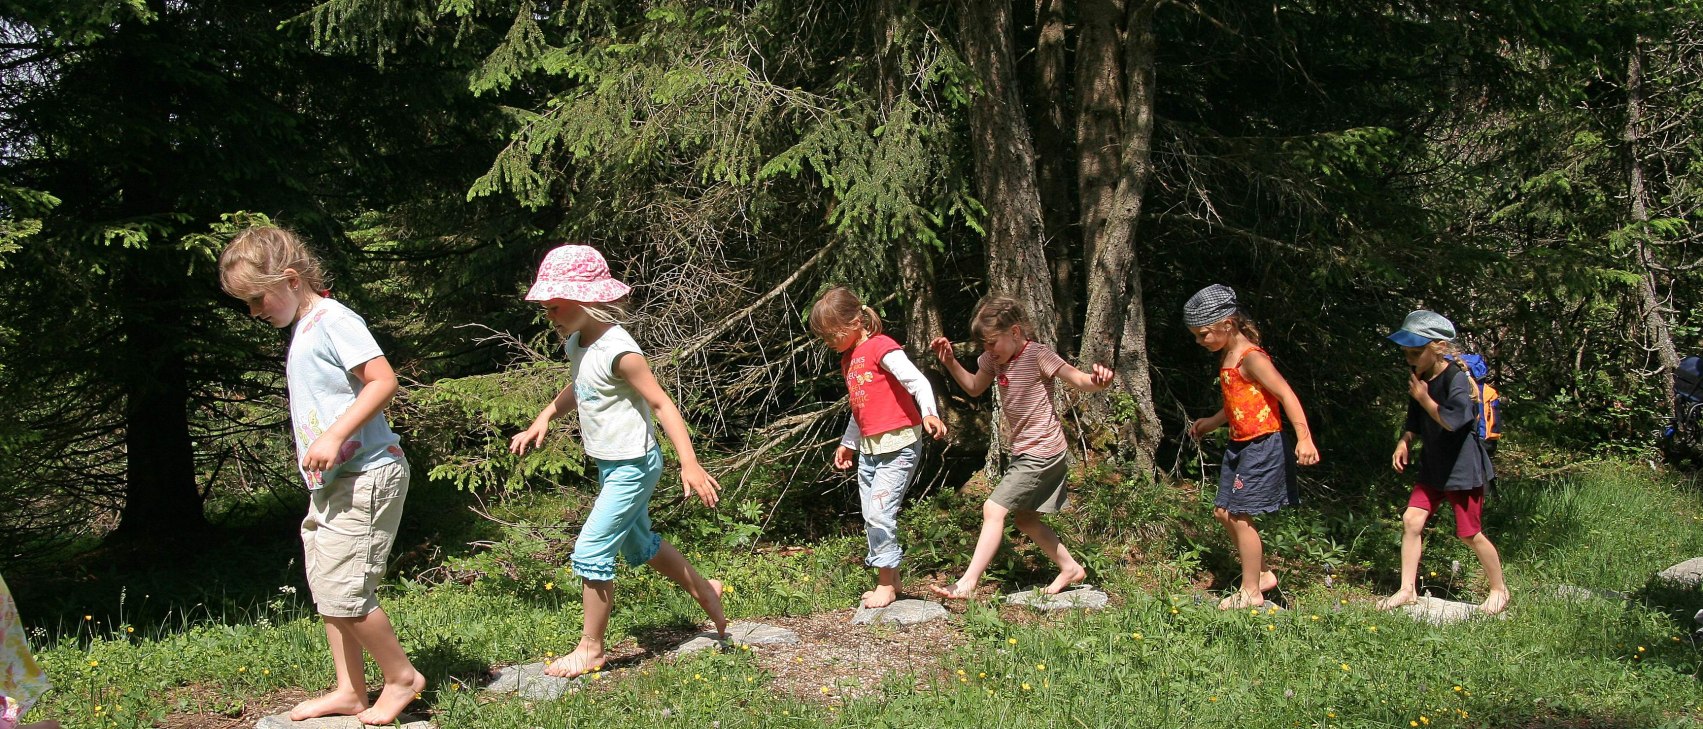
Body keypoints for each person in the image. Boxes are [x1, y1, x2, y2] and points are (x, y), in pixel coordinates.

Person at [219, 226, 422, 724]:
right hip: (335, 484)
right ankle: (350, 689)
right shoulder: (306, 327)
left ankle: (401, 678)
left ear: (290, 279)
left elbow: (383, 380)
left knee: (347, 589)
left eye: (257, 298)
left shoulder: (333, 319)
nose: (255, 311)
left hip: (368, 475)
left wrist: (332, 436)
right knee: (327, 586)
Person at [509, 244, 728, 677]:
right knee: (639, 544)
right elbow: (580, 386)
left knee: (591, 550)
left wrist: (690, 462)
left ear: (587, 301)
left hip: (634, 464)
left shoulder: (620, 350)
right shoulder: (578, 343)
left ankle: (591, 648)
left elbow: (662, 405)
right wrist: (545, 416)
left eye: (555, 306)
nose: (549, 315)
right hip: (610, 463)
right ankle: (706, 590)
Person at [928, 296, 1113, 599]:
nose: (988, 351)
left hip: (1043, 451)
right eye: (984, 346)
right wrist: (949, 361)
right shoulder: (994, 359)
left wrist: (1099, 381)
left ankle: (967, 583)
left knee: (993, 508)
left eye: (992, 343)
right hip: (1025, 452)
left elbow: (1079, 380)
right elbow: (974, 387)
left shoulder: (1039, 355)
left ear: (1014, 332)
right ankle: (1070, 568)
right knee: (1025, 519)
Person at [1182, 284, 1320, 610]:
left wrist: (1304, 438)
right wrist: (1213, 421)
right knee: (1222, 512)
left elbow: (1285, 394)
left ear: (1227, 325)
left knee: (1240, 515)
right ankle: (1263, 574)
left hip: (1263, 444)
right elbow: (1238, 403)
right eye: (1197, 336)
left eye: (1203, 335)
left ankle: (1251, 590)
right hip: (1239, 445)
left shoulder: (1252, 357)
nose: (1200, 342)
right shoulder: (1228, 355)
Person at [809, 287, 947, 608]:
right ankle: (893, 578)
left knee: (880, 515)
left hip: (899, 446)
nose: (829, 343)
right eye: (825, 338)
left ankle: (884, 585)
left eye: (834, 335)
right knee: (872, 513)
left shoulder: (881, 347)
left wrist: (929, 413)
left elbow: (918, 382)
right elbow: (861, 409)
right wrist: (848, 444)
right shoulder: (848, 360)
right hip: (870, 451)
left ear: (856, 321)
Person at [1378, 310, 1509, 615]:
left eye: (1415, 352)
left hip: (1463, 469)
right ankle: (1407, 590)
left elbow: (1453, 421)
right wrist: (1405, 440)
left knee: (1469, 533)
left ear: (1437, 348)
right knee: (1411, 520)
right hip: (1434, 467)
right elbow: (1415, 417)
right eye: (1406, 352)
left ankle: (1499, 590)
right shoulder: (1421, 376)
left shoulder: (1457, 380)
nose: (1409, 358)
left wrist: (1425, 399)